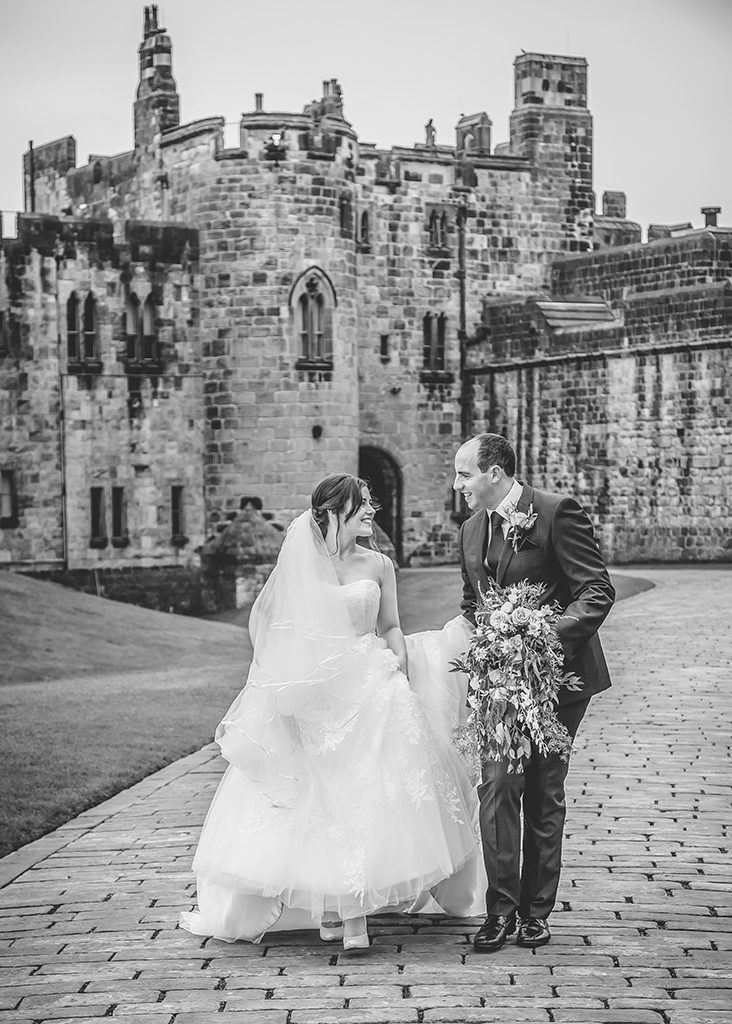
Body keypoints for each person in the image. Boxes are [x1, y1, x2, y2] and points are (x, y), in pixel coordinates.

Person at [181, 473, 482, 952]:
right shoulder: (303, 564)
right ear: (333, 511)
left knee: (367, 794)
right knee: (321, 798)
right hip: (319, 693)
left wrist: (398, 664)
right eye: (362, 505)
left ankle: (350, 912)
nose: (371, 512)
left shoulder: (381, 564)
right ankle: (333, 909)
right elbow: (278, 633)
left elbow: (390, 626)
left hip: (372, 684)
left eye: (371, 503)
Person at [453, 433, 615, 952]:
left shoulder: (554, 512)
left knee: (544, 790)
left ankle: (535, 912)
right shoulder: (470, 529)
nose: (458, 486)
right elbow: (471, 603)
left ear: (495, 472)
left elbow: (596, 589)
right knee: (497, 786)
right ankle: (499, 909)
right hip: (499, 683)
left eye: (464, 474)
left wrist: (541, 637)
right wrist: (483, 647)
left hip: (558, 679)